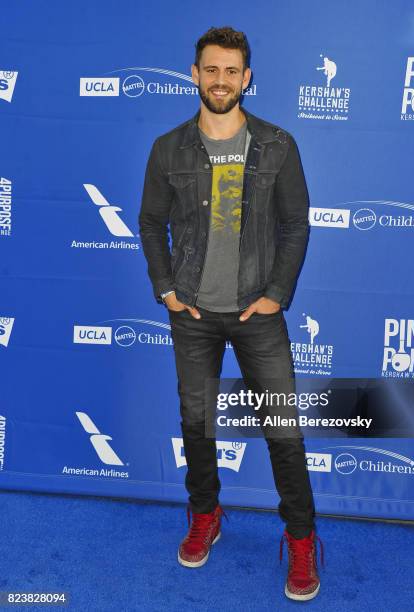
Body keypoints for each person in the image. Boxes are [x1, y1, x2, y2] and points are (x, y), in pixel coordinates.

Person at [139, 26, 322, 602]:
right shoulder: (168, 148)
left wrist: (276, 293)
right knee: (196, 425)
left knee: (284, 434)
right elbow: (150, 222)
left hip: (258, 314)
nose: (221, 80)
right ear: (195, 75)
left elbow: (296, 224)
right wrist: (166, 288)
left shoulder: (278, 145)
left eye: (231, 71)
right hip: (191, 313)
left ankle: (299, 538)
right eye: (210, 69)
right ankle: (205, 513)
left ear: (247, 79)